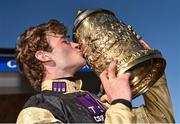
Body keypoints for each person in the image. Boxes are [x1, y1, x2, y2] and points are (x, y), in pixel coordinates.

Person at [16, 19, 175, 123]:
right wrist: (120, 103)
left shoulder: (100, 101)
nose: (76, 45)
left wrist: (149, 66)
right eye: (65, 41)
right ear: (43, 56)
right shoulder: (37, 110)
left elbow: (161, 120)